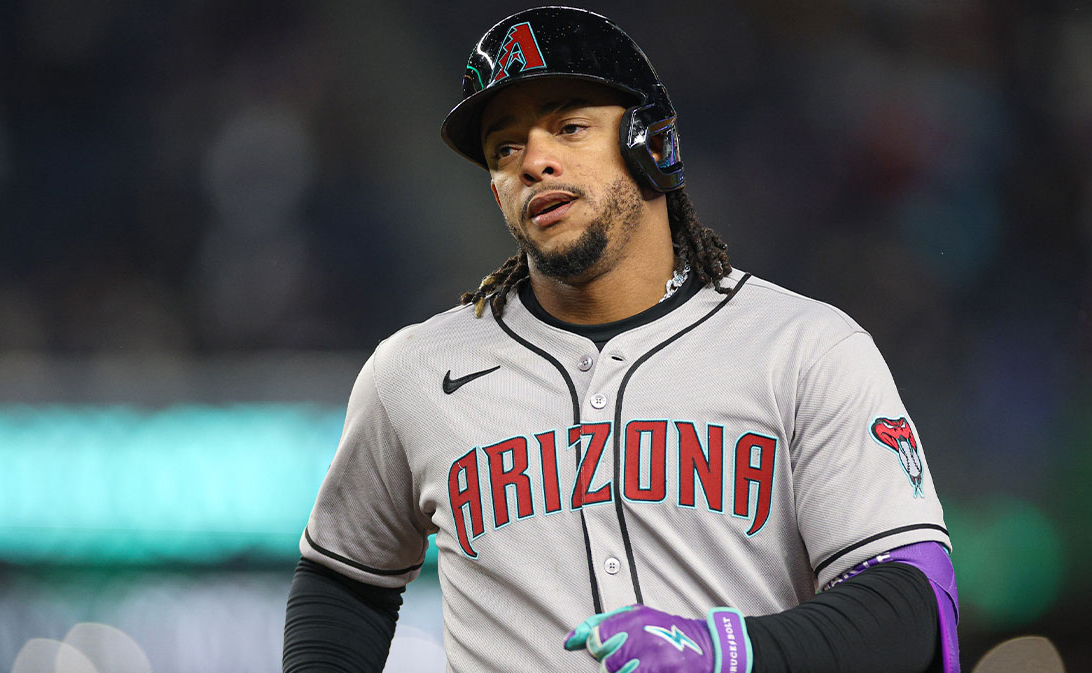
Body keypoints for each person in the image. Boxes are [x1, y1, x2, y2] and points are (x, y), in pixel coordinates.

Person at [283, 6, 959, 673]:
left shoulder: (805, 349)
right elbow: (344, 582)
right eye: (505, 148)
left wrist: (730, 649)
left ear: (652, 141)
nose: (534, 163)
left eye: (570, 127)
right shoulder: (418, 371)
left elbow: (912, 599)